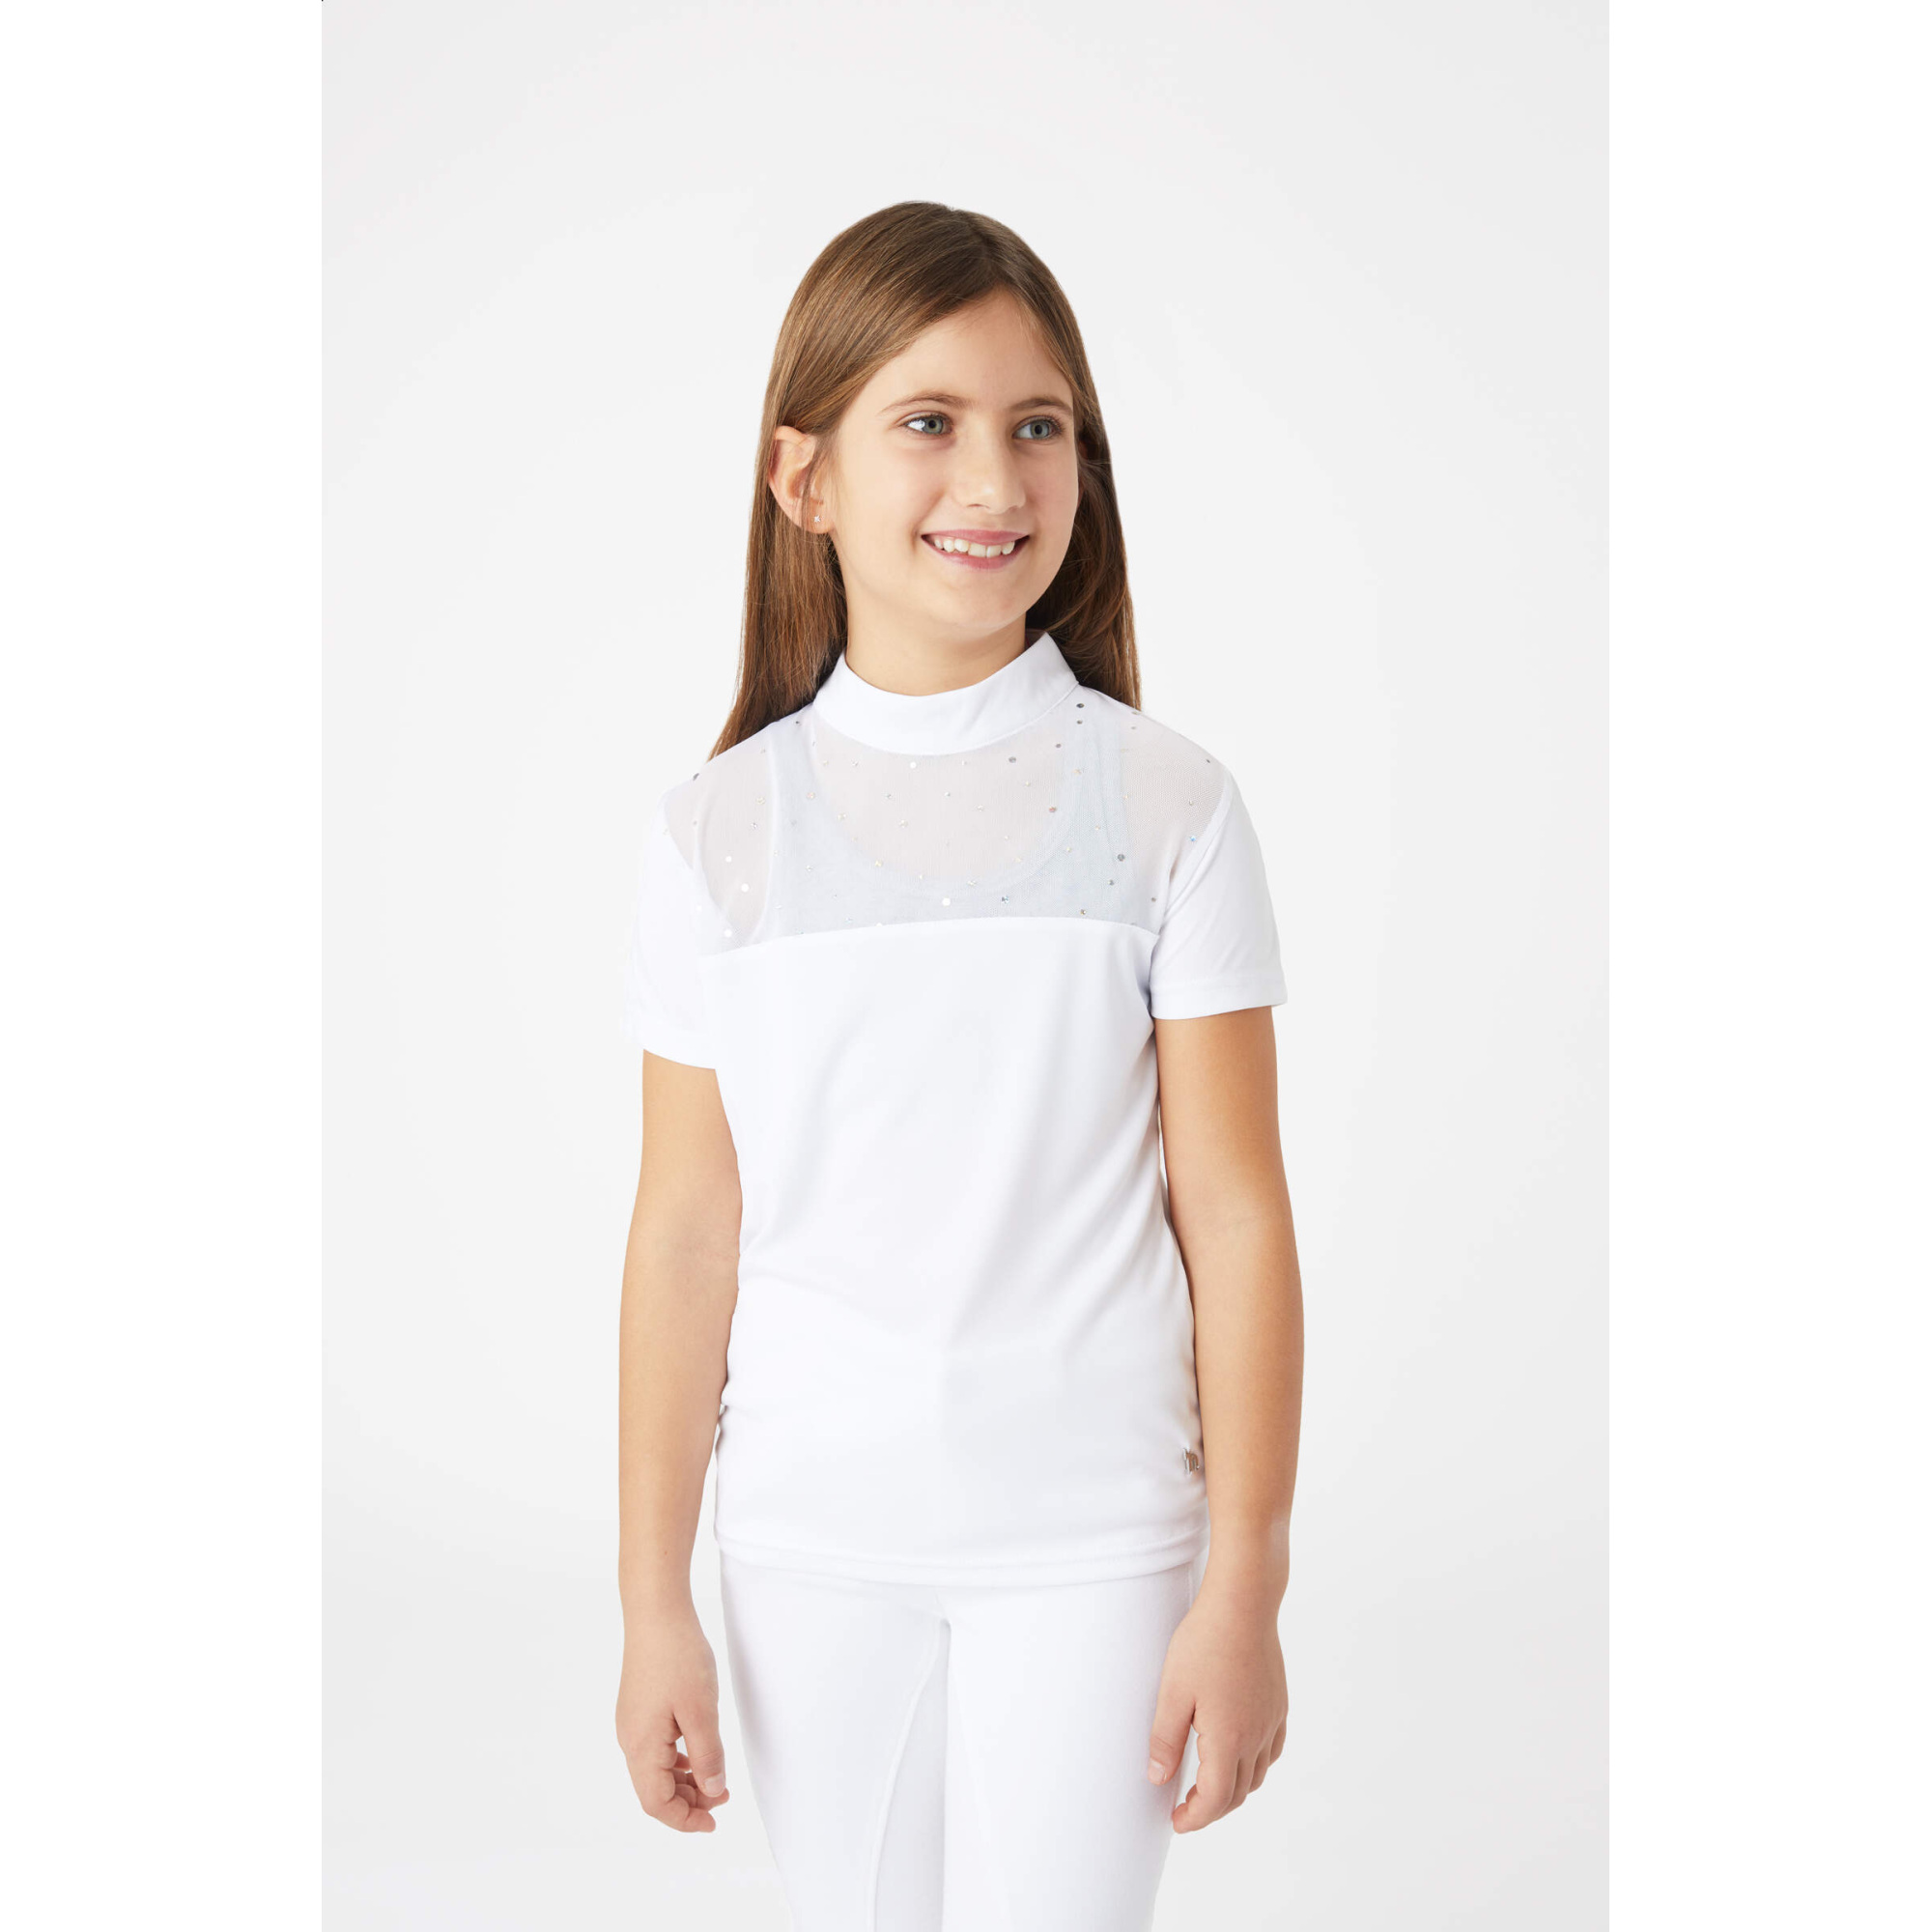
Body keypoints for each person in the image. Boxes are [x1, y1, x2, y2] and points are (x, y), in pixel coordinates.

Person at [613, 201, 1304, 1931]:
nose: (994, 480)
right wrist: (652, 1601)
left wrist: (1246, 1584)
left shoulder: (1166, 808)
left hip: (1098, 1546)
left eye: (1038, 426)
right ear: (803, 478)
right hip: (809, 1549)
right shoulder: (716, 836)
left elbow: (1235, 1215)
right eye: (928, 421)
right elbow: (686, 1233)